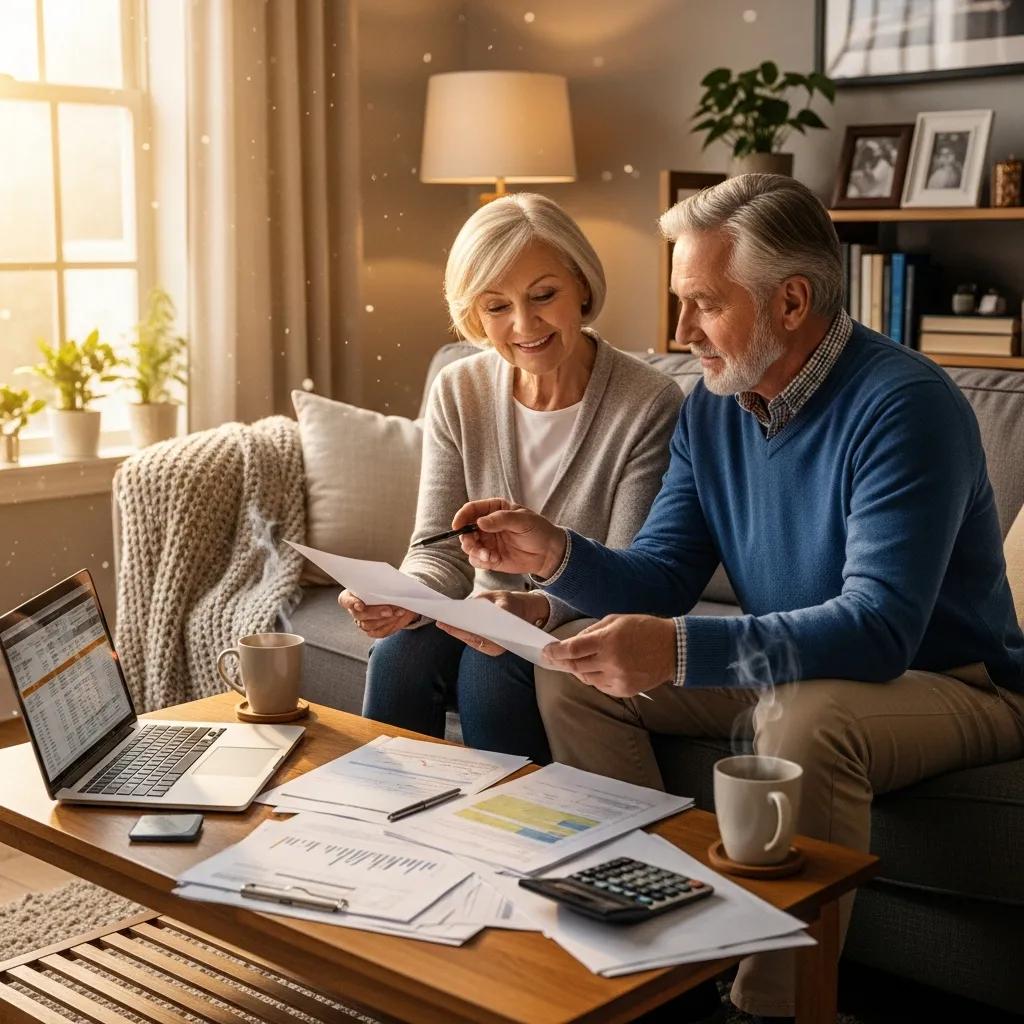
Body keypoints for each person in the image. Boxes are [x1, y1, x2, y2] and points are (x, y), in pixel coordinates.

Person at [452, 175, 1024, 1022]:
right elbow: (662, 573)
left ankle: (774, 1009)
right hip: (793, 664)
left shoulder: (905, 406)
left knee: (803, 721)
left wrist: (679, 650)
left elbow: (878, 631)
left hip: (958, 680)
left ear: (791, 301)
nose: (680, 333)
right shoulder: (712, 408)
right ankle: (652, 947)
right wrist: (556, 557)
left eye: (704, 305)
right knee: (578, 675)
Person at [342, 193, 683, 765]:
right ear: (474, 315)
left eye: (544, 295)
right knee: (401, 650)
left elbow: (630, 576)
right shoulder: (459, 389)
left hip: (574, 622)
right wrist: (397, 597)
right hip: (483, 615)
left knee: (491, 661)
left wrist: (532, 609)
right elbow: (438, 552)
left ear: (581, 284)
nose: (524, 325)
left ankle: (507, 839)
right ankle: (378, 825)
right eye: (496, 307)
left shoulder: (648, 402)